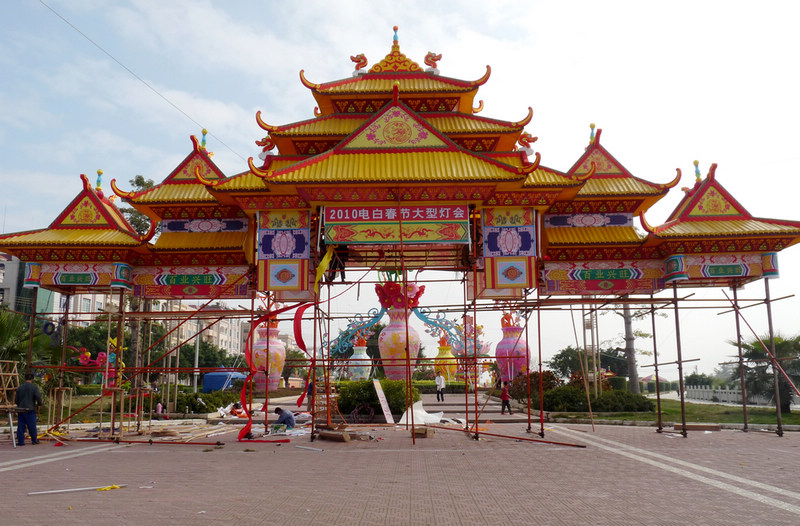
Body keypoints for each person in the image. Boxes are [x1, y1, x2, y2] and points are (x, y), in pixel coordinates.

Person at [15, 373, 42, 446]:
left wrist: (19, 405)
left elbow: (16, 400)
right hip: (30, 409)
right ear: (32, 379)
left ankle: (21, 442)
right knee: (32, 426)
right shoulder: (34, 387)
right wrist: (39, 404)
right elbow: (38, 397)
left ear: (25, 379)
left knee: (21, 426)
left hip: (21, 409)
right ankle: (34, 440)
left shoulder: (20, 387)